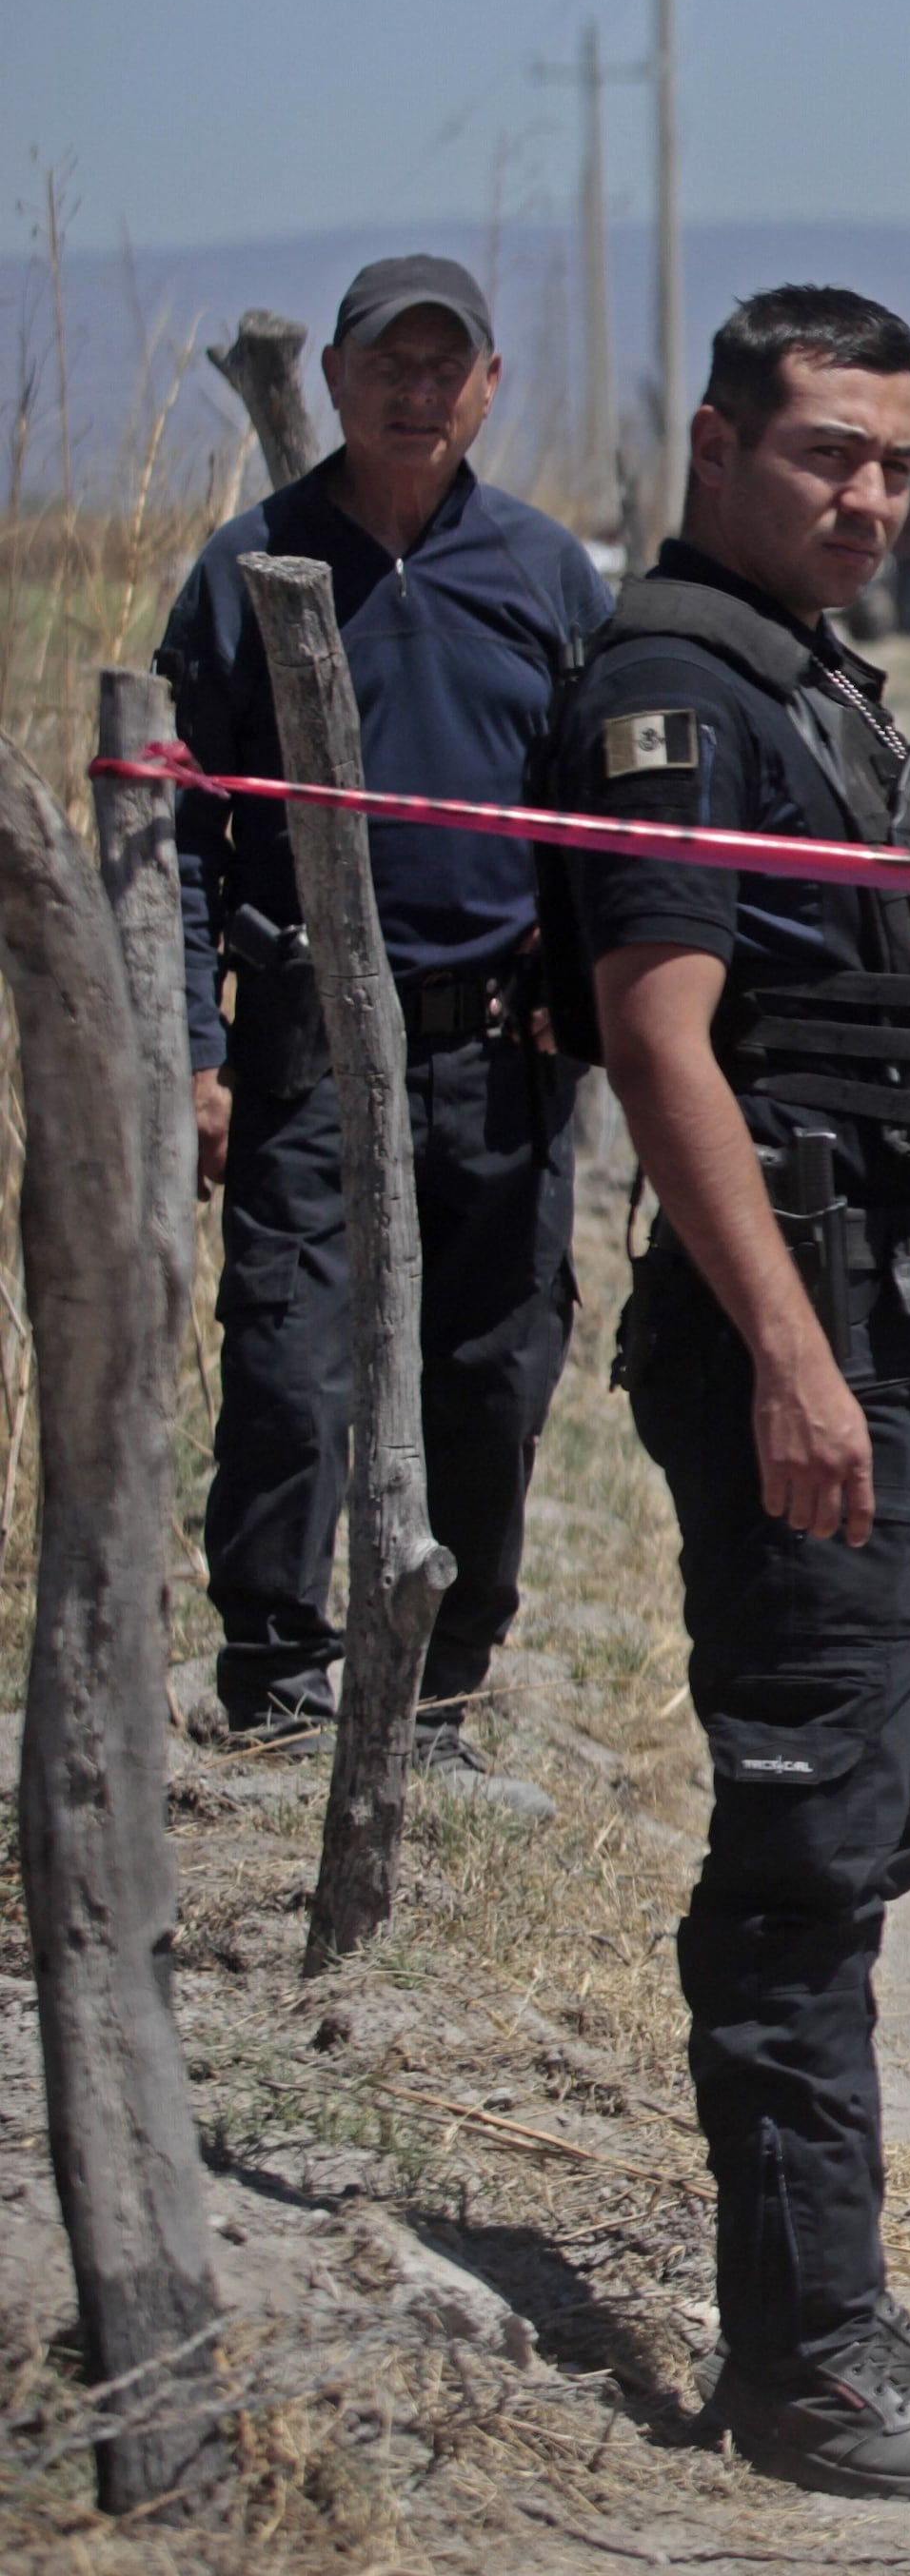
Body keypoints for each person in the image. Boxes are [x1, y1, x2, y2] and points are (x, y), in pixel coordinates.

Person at [545, 285, 910, 2500]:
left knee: (875, 1820)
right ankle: (799, 2369)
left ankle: (830, 2292)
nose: (863, 498)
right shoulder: (673, 690)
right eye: (824, 454)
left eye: (893, 465)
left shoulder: (806, 684)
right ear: (716, 445)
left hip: (894, 1330)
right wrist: (791, 1362)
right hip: (809, 1339)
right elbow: (663, 1046)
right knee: (796, 1851)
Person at [155, 254, 607, 1813]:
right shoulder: (250, 571)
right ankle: (278, 1680)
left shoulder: (547, 578)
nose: (416, 391)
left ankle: (442, 1677)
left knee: (494, 1368)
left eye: (447, 365)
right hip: (304, 1044)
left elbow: (597, 825)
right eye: (386, 364)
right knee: (289, 1361)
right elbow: (180, 843)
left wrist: (589, 991)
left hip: (502, 1052)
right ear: (335, 381)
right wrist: (192, 1055)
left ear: (489, 386)